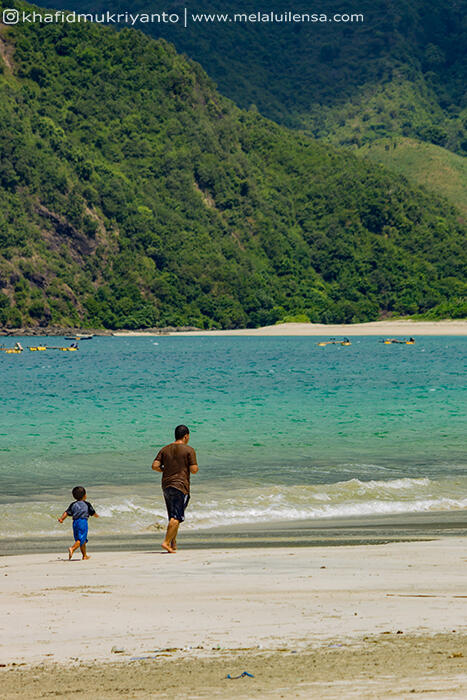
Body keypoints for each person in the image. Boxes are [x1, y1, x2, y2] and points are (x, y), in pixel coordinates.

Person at [152, 425, 199, 553]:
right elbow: (194, 470)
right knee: (177, 516)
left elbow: (155, 466)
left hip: (166, 485)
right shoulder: (189, 450)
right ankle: (166, 542)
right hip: (180, 486)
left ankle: (173, 543)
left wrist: (165, 470)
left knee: (172, 515)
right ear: (186, 436)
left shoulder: (165, 449)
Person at [58, 486, 99, 560]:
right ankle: (72, 549)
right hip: (83, 522)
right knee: (81, 539)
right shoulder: (87, 504)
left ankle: (84, 555)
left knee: (81, 539)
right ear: (85, 495)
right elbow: (93, 513)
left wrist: (61, 519)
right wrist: (97, 516)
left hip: (75, 523)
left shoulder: (73, 504)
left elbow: (66, 512)